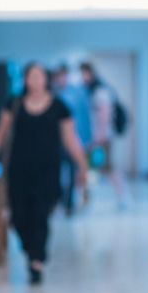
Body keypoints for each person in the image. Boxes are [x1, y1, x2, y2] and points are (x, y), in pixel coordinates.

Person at [0, 62, 89, 284]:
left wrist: (82, 164)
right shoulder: (13, 104)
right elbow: (0, 133)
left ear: (46, 79)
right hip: (18, 171)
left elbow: (70, 138)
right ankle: (30, 249)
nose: (35, 80)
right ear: (25, 79)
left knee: (41, 214)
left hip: (48, 172)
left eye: (39, 76)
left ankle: (36, 261)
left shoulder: (59, 106)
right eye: (31, 76)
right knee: (19, 217)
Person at [52, 64, 92, 215]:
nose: (61, 79)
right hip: (56, 141)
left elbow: (84, 119)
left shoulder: (78, 94)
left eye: (63, 75)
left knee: (73, 172)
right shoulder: (53, 94)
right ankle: (58, 200)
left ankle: (69, 204)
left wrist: (85, 140)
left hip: (74, 140)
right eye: (58, 76)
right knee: (56, 172)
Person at [79, 62, 114, 174]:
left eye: (84, 74)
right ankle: (86, 191)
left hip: (100, 137)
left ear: (91, 74)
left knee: (107, 169)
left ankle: (124, 192)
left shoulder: (100, 91)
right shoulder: (89, 91)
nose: (82, 77)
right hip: (93, 137)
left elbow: (105, 114)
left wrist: (100, 135)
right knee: (90, 168)